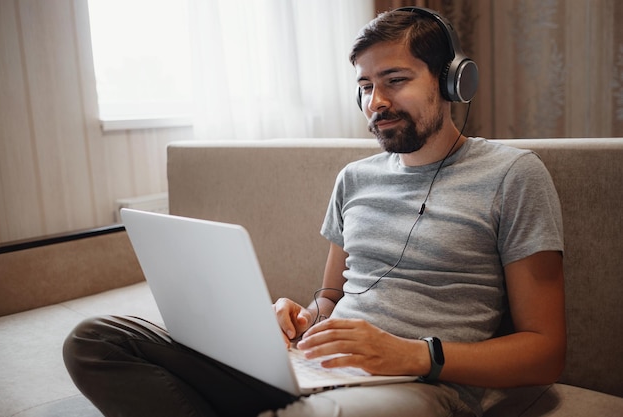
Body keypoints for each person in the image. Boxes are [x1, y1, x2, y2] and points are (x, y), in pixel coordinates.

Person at [63, 7, 565, 417]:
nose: (377, 102)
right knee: (95, 341)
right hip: (317, 366)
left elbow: (545, 351)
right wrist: (299, 319)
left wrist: (413, 353)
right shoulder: (355, 178)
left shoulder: (513, 175)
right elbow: (330, 297)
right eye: (366, 86)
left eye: (395, 79)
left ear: (453, 81)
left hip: (423, 386)